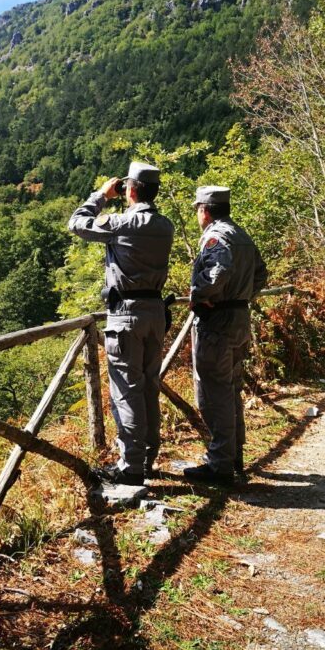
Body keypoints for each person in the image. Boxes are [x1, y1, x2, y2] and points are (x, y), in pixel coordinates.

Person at [68, 162, 175, 486]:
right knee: (148, 389)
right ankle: (147, 459)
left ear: (129, 190)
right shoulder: (165, 226)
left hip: (125, 315)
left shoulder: (122, 223)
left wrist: (100, 195)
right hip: (156, 312)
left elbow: (77, 223)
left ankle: (131, 468)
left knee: (127, 393)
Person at [185, 185, 267, 485]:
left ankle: (219, 464)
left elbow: (218, 270)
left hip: (217, 321)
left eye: (197, 209)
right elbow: (261, 273)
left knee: (212, 392)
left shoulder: (215, 236)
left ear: (205, 210)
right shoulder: (242, 236)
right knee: (230, 388)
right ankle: (234, 456)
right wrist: (243, 295)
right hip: (239, 317)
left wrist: (201, 294)